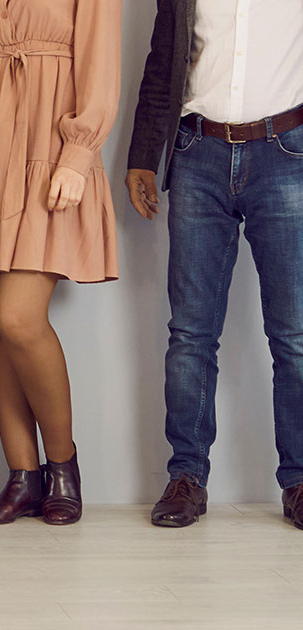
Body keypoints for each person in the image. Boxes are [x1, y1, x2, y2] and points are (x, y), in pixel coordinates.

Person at [0, 0, 121, 526]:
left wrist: (78, 154)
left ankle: (62, 467)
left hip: (48, 145)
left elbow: (99, 62)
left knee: (18, 318)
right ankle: (22, 476)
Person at [127, 0, 303, 530]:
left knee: (294, 334)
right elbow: (163, 61)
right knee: (191, 333)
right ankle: (186, 478)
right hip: (197, 151)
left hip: (287, 151)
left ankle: (299, 481)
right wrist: (142, 154)